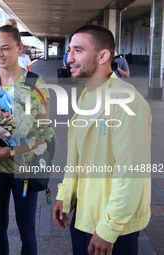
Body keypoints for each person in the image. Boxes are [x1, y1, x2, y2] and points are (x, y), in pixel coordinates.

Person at [52, 25, 151, 255]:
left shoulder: (128, 103)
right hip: (85, 213)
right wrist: (65, 195)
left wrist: (109, 227)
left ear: (103, 56)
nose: (68, 59)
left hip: (113, 224)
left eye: (78, 50)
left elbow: (130, 171)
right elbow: (77, 157)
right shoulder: (88, 95)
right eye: (69, 51)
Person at [0, 24, 50, 255]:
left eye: (5, 48)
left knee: (27, 228)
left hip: (24, 169)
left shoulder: (35, 84)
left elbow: (43, 134)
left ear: (19, 48)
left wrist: (8, 152)